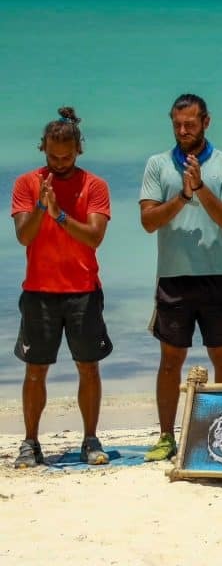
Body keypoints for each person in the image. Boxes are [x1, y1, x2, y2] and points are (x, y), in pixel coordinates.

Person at [139, 93, 222, 461]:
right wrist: (183, 196)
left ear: (206, 122)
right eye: (177, 124)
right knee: (170, 361)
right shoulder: (157, 164)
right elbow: (148, 221)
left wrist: (201, 188)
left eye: (190, 124)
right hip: (173, 277)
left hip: (217, 274)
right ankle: (166, 437)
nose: (183, 130)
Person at [10, 107, 113, 468]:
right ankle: (30, 442)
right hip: (39, 291)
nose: (59, 164)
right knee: (35, 369)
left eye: (66, 157)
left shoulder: (94, 186)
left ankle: (90, 438)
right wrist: (42, 207)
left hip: (83, 290)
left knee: (88, 366)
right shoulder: (27, 183)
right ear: (43, 149)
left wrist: (61, 215)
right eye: (53, 157)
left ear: (78, 150)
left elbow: (94, 237)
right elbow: (24, 236)